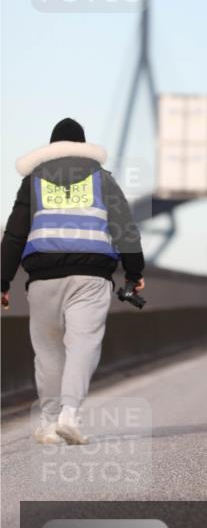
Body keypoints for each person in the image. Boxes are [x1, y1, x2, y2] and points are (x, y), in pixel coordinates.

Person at [1, 118, 145, 445]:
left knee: (48, 352)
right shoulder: (103, 179)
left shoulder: (33, 181)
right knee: (82, 345)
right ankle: (70, 414)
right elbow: (125, 228)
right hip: (90, 278)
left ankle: (49, 423)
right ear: (83, 147)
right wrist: (134, 273)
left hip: (43, 280)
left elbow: (15, 234)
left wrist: (3, 281)